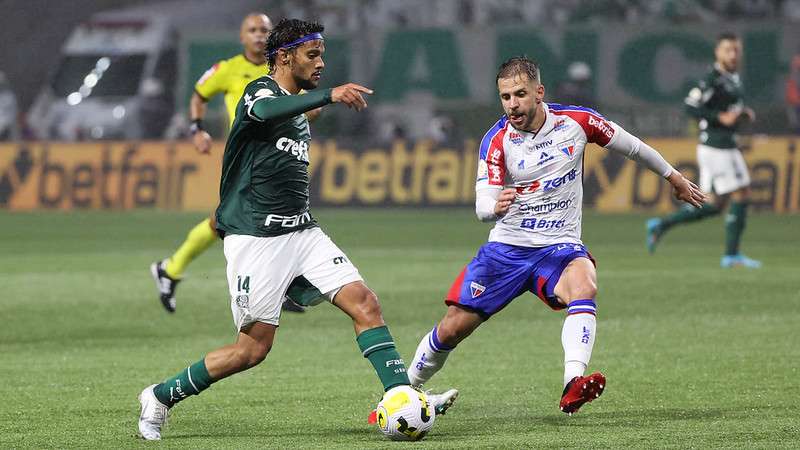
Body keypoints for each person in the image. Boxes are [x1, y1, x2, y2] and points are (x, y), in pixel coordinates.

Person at [137, 19, 456, 441]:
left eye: (322, 54)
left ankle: (401, 396)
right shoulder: (259, 92)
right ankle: (159, 396)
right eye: (313, 54)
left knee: (365, 303)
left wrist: (314, 101)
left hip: (303, 232)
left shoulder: (300, 105)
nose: (321, 62)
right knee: (251, 351)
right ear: (285, 58)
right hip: (256, 239)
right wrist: (328, 95)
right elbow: (266, 110)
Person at [403, 56, 705, 416]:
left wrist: (673, 177)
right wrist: (493, 207)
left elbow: (633, 147)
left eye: (519, 94)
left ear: (539, 92)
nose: (512, 104)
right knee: (452, 329)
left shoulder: (577, 122)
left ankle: (572, 384)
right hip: (507, 249)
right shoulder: (497, 141)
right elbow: (482, 201)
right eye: (505, 97)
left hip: (558, 248)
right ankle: (402, 392)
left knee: (584, 283)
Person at [150, 13, 307, 313]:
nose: (259, 35)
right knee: (252, 217)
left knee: (239, 218)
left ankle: (170, 269)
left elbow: (306, 105)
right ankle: (282, 285)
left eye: (264, 29)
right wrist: (197, 129)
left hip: (280, 153)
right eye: (252, 30)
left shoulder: (286, 68)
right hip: (247, 155)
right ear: (241, 37)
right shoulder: (227, 69)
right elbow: (198, 96)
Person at [646, 33, 761, 268]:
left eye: (736, 50)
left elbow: (728, 109)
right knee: (742, 193)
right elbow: (690, 105)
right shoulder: (712, 79)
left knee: (714, 205)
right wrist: (719, 116)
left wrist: (741, 114)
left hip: (723, 145)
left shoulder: (732, 78)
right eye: (728, 50)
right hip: (717, 146)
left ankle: (661, 225)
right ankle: (731, 255)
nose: (733, 54)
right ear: (717, 52)